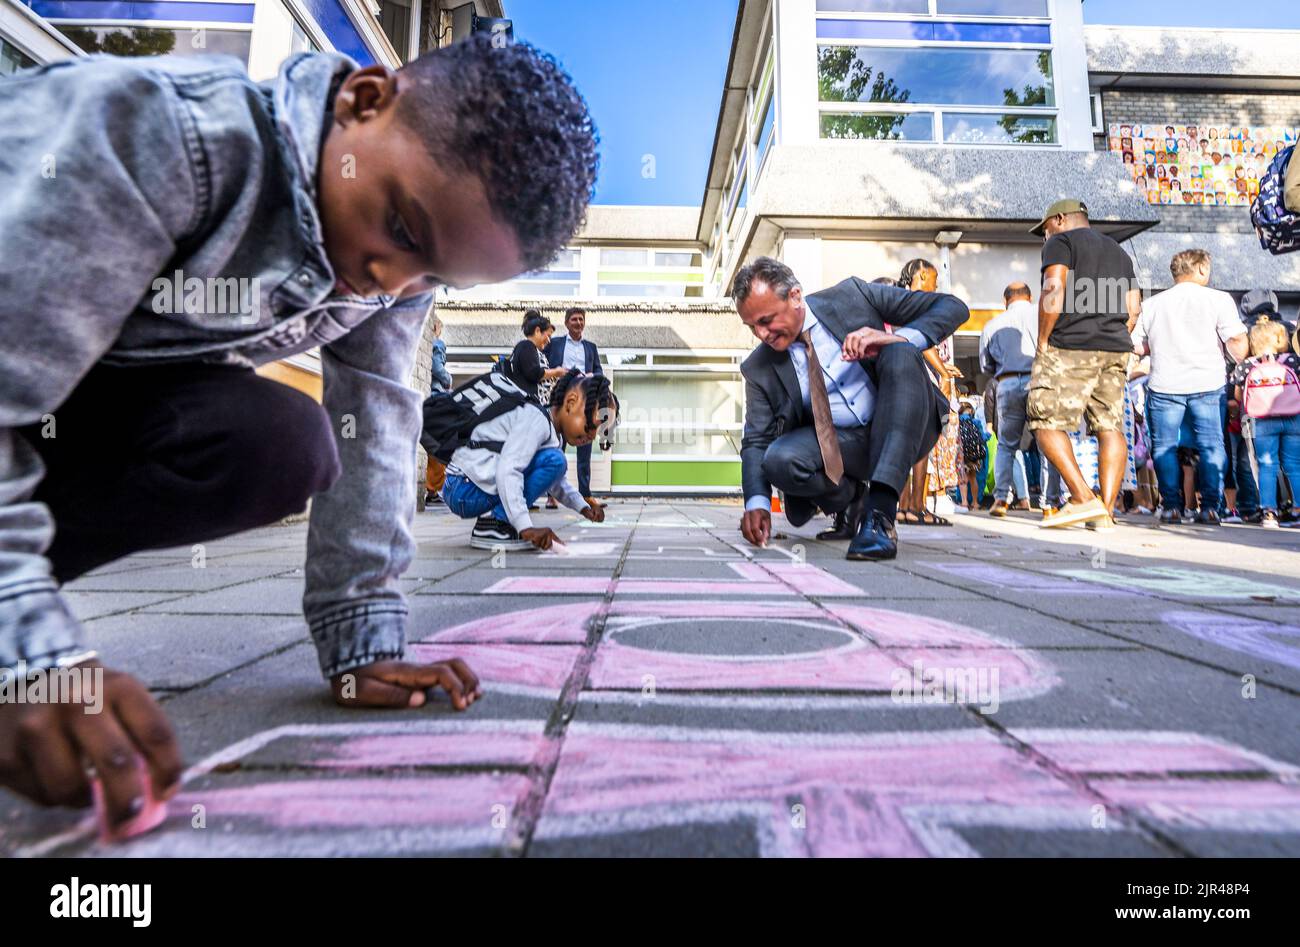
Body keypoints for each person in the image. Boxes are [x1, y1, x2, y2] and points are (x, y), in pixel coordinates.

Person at [0, 37, 598, 825]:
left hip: (46, 418)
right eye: (405, 230)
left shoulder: (393, 268)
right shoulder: (163, 135)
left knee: (276, 442)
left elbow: (378, 417)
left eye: (434, 278)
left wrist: (363, 636)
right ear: (363, 100)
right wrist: (29, 653)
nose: (393, 282)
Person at [732, 257, 968, 562]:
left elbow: (953, 307)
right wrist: (756, 503)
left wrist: (894, 337)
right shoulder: (759, 367)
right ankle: (851, 498)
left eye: (766, 320)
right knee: (778, 459)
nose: (762, 334)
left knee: (900, 351)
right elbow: (756, 440)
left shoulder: (853, 295)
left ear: (795, 296)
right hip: (844, 447)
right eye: (752, 327)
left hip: (906, 422)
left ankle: (880, 518)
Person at [1027, 199, 1143, 529]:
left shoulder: (1061, 242)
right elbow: (1133, 308)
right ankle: (1104, 512)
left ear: (1060, 219)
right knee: (1110, 427)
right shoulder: (1119, 252)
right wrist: (1113, 333)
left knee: (1044, 419)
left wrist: (1044, 340)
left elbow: (1054, 287)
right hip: (1116, 347)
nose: (1045, 235)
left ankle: (1081, 498)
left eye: (1046, 228)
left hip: (1071, 345)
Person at [1131, 249, 1248, 525]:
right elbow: (1238, 345)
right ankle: (1209, 507)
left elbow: (1138, 346)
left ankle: (1171, 506)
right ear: (1201, 270)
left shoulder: (1154, 304)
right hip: (1208, 383)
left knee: (1164, 447)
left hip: (1165, 384)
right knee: (1211, 446)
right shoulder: (1219, 300)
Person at [443, 370, 616, 549]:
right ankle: (496, 524)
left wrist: (583, 507)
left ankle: (498, 520)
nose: (592, 436)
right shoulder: (536, 420)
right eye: (590, 426)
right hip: (462, 488)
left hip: (466, 486)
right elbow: (509, 469)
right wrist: (525, 527)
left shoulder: (551, 432)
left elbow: (556, 483)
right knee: (556, 461)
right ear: (571, 403)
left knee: (555, 462)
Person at [894, 259, 963, 527]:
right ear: (921, 275)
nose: (936, 285)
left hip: (904, 375)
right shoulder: (917, 302)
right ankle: (917, 507)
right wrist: (942, 373)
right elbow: (919, 338)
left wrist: (943, 367)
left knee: (905, 444)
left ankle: (904, 506)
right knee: (923, 442)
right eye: (934, 278)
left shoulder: (899, 300)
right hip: (918, 378)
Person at [1231, 318, 1300, 528]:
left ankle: (1269, 511)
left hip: (1260, 420)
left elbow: (1237, 396)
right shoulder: (1294, 361)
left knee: (1266, 465)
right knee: (1294, 465)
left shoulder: (1247, 365)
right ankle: (1297, 508)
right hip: (1293, 417)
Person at [979, 282, 1040, 516]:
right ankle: (1050, 502)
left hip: (1007, 381)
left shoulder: (992, 325)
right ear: (1030, 296)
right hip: (1039, 380)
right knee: (1047, 442)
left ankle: (1002, 499)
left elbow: (986, 365)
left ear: (1006, 300)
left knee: (1006, 445)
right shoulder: (1041, 315)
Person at [545, 307, 604, 508]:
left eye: (581, 319)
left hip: (583, 402)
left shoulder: (591, 347)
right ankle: (551, 494)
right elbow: (543, 365)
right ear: (567, 322)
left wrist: (592, 376)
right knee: (556, 447)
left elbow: (599, 372)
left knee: (585, 449)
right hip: (560, 400)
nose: (578, 323)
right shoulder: (555, 344)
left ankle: (585, 495)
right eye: (574, 319)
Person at [502, 310, 567, 404]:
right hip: (530, 406)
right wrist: (556, 372)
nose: (549, 341)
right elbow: (534, 373)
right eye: (548, 336)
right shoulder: (526, 346)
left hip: (535, 406)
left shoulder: (530, 348)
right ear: (537, 331)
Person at [425, 316, 453, 505]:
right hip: (436, 396)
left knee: (430, 446)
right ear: (436, 327)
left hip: (427, 396)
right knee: (440, 444)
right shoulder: (438, 343)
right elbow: (437, 367)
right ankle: (434, 489)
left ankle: (432, 489)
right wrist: (448, 379)